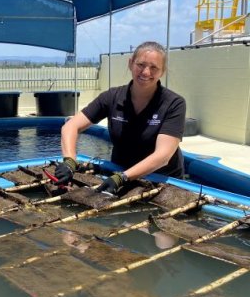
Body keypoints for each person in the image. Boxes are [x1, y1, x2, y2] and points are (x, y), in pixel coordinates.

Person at [55, 41, 186, 194]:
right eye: (141, 64)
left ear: (162, 71)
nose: (145, 72)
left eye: (154, 67)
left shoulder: (174, 103)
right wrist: (69, 160)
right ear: (130, 64)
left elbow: (163, 156)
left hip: (161, 179)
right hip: (121, 171)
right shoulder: (112, 97)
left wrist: (122, 177)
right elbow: (71, 126)